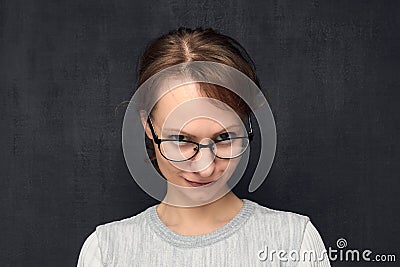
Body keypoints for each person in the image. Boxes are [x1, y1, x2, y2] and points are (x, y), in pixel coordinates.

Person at [77, 27, 331, 266]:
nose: (205, 167)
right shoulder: (107, 252)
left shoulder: (294, 243)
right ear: (148, 126)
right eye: (182, 140)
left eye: (224, 138)